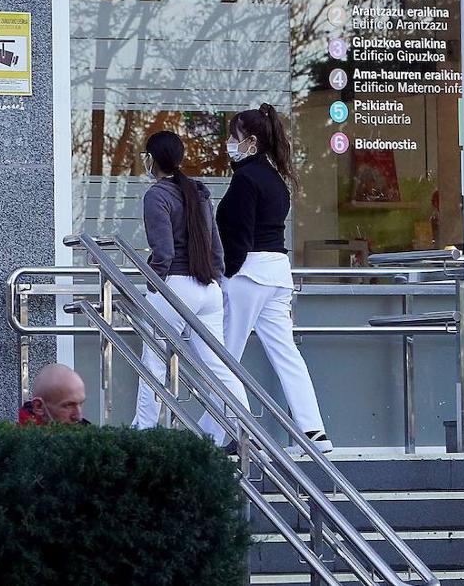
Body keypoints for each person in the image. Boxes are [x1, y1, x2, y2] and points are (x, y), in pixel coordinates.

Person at [209, 104, 332, 454]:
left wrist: (223, 275)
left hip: (248, 273)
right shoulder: (276, 179)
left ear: (250, 141)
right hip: (277, 273)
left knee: (223, 356)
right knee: (285, 353)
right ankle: (314, 431)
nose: (229, 144)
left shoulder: (246, 179)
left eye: (233, 138)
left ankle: (235, 433)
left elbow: (240, 238)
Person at [132, 131, 250, 442]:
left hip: (174, 286)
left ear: (152, 160)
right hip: (207, 287)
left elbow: (164, 252)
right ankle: (245, 434)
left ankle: (144, 432)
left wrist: (152, 285)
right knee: (220, 367)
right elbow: (216, 248)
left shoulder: (156, 196)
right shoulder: (199, 193)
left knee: (154, 362)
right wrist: (217, 278)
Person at [18, 363, 90, 425]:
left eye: (80, 404)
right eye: (69, 405)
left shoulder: (87, 434)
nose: (78, 417)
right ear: (38, 407)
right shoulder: (18, 440)